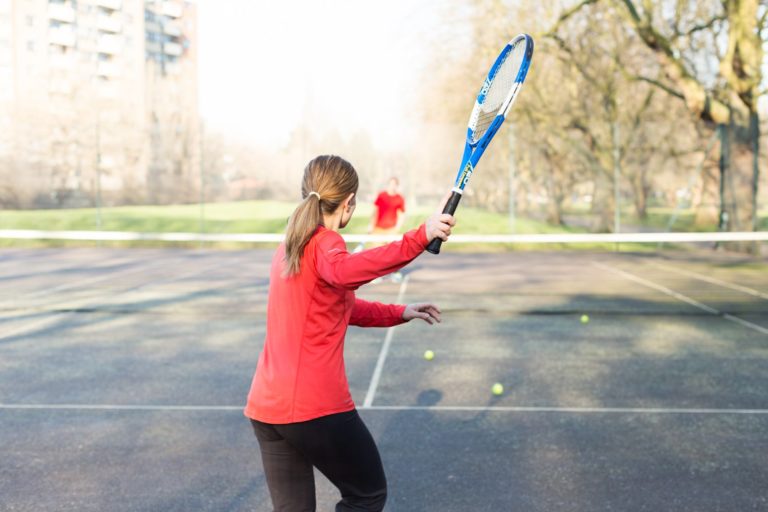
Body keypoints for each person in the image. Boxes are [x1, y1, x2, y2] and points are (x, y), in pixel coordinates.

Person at [244, 155, 455, 512]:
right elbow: (347, 272)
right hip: (314, 408)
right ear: (348, 203)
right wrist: (420, 236)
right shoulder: (326, 244)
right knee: (366, 495)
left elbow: (338, 305)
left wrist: (399, 312)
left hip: (267, 409)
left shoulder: (288, 249)